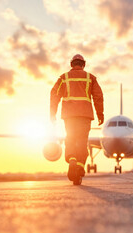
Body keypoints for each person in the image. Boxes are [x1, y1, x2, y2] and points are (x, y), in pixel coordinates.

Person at [50, 54, 104, 185]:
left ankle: (72, 159)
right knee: (81, 140)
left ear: (71, 64)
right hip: (85, 116)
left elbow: (54, 94)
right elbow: (98, 97)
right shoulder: (90, 78)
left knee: (70, 138)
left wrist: (52, 113)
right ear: (83, 64)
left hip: (69, 116)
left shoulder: (64, 78)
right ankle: (79, 166)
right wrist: (100, 114)